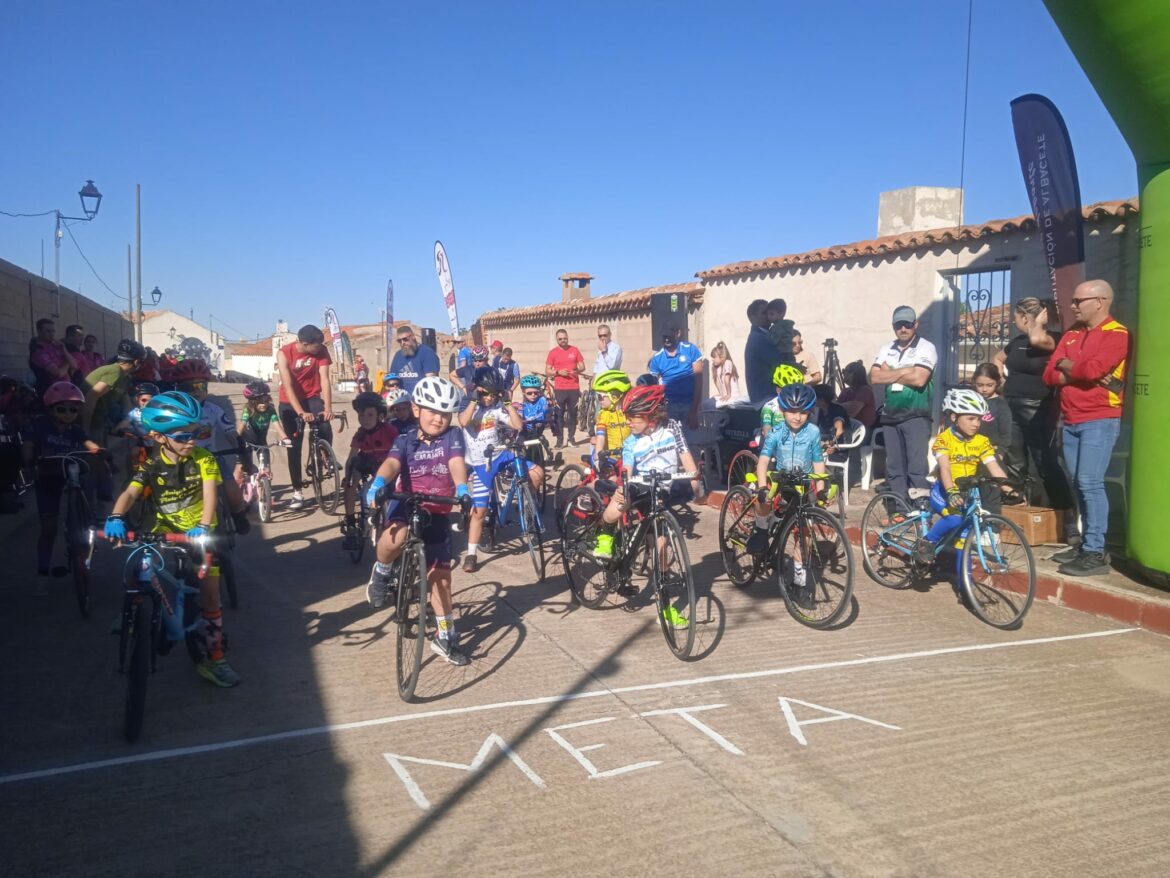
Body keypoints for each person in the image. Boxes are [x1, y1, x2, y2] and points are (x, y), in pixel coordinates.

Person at [103, 392, 240, 688]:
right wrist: (115, 516)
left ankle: (215, 659)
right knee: (136, 562)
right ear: (158, 437)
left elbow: (209, 494)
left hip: (200, 533)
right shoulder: (151, 464)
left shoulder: (203, 459)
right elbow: (130, 493)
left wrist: (203, 525)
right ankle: (129, 612)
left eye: (197, 432)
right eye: (183, 435)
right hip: (163, 530)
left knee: (211, 596)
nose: (192, 440)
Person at [363, 377, 472, 665]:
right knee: (395, 537)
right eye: (432, 411)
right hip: (407, 501)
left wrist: (462, 488)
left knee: (441, 579)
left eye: (445, 414)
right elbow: (392, 463)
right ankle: (383, 570)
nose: (439, 419)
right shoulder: (405, 438)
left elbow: (455, 461)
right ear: (415, 409)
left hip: (438, 508)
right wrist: (378, 483)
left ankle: (445, 635)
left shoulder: (453, 436)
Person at [591, 384, 703, 619]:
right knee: (616, 508)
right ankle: (605, 536)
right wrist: (623, 487)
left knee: (661, 550)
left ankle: (666, 608)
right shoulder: (632, 440)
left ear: (651, 416)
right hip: (638, 485)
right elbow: (628, 467)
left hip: (661, 490)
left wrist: (696, 484)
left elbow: (685, 456)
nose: (628, 423)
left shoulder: (672, 428)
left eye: (632, 418)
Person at [1043, 279, 1130, 577]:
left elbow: (1093, 370)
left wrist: (1069, 365)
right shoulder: (1071, 333)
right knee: (1078, 482)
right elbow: (1048, 375)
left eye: (1079, 301)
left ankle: (1095, 551)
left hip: (1100, 419)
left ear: (1101, 301)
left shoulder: (1117, 334)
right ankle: (1084, 545)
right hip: (1071, 419)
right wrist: (1075, 369)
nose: (1072, 306)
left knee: (1089, 483)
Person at [994, 296, 1074, 528]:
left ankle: (1067, 519)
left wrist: (1037, 322)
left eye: (1017, 317)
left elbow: (1037, 338)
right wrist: (1000, 378)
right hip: (1011, 406)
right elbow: (998, 358)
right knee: (1014, 462)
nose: (1013, 322)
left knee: (1045, 463)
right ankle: (1015, 517)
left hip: (1038, 407)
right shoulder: (1017, 342)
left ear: (1025, 317)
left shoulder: (1052, 340)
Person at [743, 384, 827, 604]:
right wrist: (762, 487)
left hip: (804, 485)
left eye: (802, 412)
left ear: (810, 412)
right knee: (765, 501)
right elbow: (762, 462)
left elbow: (818, 463)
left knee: (803, 535)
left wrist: (821, 490)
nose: (797, 417)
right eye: (791, 412)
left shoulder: (813, 432)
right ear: (782, 410)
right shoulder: (776, 433)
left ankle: (800, 583)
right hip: (781, 481)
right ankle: (761, 530)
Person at [913, 388, 1014, 565]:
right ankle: (926, 543)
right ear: (954, 417)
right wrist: (952, 491)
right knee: (955, 519)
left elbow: (994, 468)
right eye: (970, 418)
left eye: (979, 419)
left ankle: (964, 587)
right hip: (944, 491)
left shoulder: (981, 441)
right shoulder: (944, 439)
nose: (976, 424)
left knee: (964, 540)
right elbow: (945, 468)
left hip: (967, 494)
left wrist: (1009, 489)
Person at [22, 382, 103, 594]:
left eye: (74, 410)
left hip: (70, 476)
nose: (69, 414)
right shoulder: (39, 425)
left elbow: (88, 444)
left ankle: (87, 520)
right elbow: (28, 445)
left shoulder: (75, 430)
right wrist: (29, 461)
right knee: (49, 530)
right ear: (50, 409)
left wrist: (100, 451)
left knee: (86, 489)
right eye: (62, 409)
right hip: (48, 478)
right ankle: (42, 574)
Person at [459, 366, 527, 573]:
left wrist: (507, 403)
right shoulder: (469, 405)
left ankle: (529, 510)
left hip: (499, 454)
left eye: (493, 394)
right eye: (485, 393)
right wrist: (473, 399)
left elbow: (517, 426)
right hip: (481, 463)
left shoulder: (497, 407)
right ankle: (471, 554)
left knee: (536, 472)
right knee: (479, 511)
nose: (489, 398)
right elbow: (463, 422)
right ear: (478, 390)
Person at [172, 359, 250, 535]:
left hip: (212, 457)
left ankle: (238, 517)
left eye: (200, 386)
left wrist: (240, 450)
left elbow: (231, 433)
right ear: (178, 389)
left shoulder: (214, 410)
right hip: (182, 460)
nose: (195, 391)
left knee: (234, 495)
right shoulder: (174, 412)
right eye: (188, 388)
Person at [870, 306, 937, 502]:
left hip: (916, 415)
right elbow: (874, 376)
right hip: (890, 416)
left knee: (916, 468)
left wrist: (890, 373)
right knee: (894, 469)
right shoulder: (886, 348)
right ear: (893, 326)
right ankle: (899, 510)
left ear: (915, 324)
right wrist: (905, 371)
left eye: (908, 324)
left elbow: (919, 379)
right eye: (899, 325)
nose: (903, 329)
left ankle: (919, 509)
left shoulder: (926, 347)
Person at [277, 324, 335, 511]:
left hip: (312, 397)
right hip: (289, 401)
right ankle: (297, 492)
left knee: (324, 423)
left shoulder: (322, 351)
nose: (320, 348)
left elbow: (325, 379)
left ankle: (324, 454)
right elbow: (288, 386)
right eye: (316, 345)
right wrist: (300, 412)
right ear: (304, 343)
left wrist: (328, 407)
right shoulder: (285, 353)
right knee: (294, 447)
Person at [341, 392, 399, 550]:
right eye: (361, 415)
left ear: (380, 415)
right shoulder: (361, 433)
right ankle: (351, 523)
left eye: (370, 414)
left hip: (385, 462)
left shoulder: (389, 430)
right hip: (366, 460)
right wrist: (348, 475)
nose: (364, 419)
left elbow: (400, 452)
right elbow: (352, 456)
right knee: (349, 482)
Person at [648, 324, 704, 432]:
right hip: (670, 407)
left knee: (692, 442)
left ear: (678, 334)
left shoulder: (690, 349)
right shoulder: (656, 358)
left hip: (690, 404)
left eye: (670, 336)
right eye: (665, 337)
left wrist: (694, 409)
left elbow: (699, 380)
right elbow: (653, 387)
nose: (667, 339)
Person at [235, 380, 291, 488]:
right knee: (240, 468)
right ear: (252, 403)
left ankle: (266, 495)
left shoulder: (270, 409)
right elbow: (242, 424)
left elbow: (276, 425)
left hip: (261, 441)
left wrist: (285, 438)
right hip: (247, 441)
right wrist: (235, 437)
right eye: (259, 402)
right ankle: (237, 494)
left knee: (267, 469)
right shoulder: (248, 409)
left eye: (265, 401)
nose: (263, 405)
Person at [545, 328, 586, 448]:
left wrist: (576, 370)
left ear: (567, 337)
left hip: (573, 388)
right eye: (560, 339)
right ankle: (559, 440)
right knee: (559, 415)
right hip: (560, 388)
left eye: (565, 338)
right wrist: (558, 372)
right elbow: (547, 371)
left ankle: (571, 439)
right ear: (557, 340)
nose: (563, 340)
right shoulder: (553, 352)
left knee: (573, 415)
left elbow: (583, 366)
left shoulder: (575, 350)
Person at [591, 370, 632, 473]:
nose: (598, 401)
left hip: (627, 457)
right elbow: (600, 438)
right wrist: (598, 457)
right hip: (608, 458)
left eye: (600, 397)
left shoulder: (628, 412)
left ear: (614, 396)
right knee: (611, 481)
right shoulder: (603, 415)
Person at [28, 318, 80, 398]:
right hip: (51, 392)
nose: (52, 334)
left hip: (65, 389)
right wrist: (67, 362)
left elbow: (74, 365)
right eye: (48, 331)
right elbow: (59, 373)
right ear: (39, 331)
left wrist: (64, 349)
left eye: (53, 331)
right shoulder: (38, 351)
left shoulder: (55, 345)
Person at [389, 325, 440, 395]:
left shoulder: (427, 353)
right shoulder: (398, 355)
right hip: (402, 401)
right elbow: (392, 379)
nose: (402, 343)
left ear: (413, 336)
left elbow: (431, 381)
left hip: (421, 401)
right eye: (399, 341)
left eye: (405, 339)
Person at [971, 364, 1012, 453]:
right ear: (974, 381)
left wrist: (1001, 452)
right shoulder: (970, 401)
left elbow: (1006, 433)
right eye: (980, 385)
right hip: (970, 450)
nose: (984, 389)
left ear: (997, 383)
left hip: (992, 451)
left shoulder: (1001, 405)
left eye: (989, 385)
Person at [744, 299, 777, 403]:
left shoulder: (766, 335)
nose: (768, 316)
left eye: (769, 312)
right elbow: (778, 362)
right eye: (764, 313)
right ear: (752, 318)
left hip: (766, 397)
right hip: (766, 397)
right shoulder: (759, 339)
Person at [760, 364, 806, 439]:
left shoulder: (801, 405)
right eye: (789, 391)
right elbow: (767, 432)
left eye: (797, 390)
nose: (793, 394)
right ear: (778, 390)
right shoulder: (769, 407)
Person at [709, 341, 741, 406]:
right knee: (708, 402)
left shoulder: (727, 362)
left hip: (733, 396)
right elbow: (718, 383)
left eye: (714, 357)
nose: (712, 359)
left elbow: (727, 379)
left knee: (709, 404)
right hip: (726, 396)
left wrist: (728, 394)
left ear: (722, 356)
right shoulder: (718, 369)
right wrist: (721, 394)